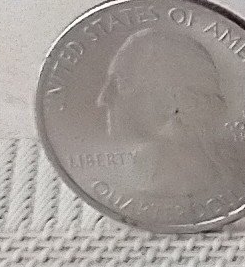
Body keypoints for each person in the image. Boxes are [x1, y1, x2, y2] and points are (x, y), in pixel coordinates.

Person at [96, 27, 237, 217]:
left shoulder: (179, 183)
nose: (102, 98)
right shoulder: (137, 176)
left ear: (175, 99)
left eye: (121, 81)